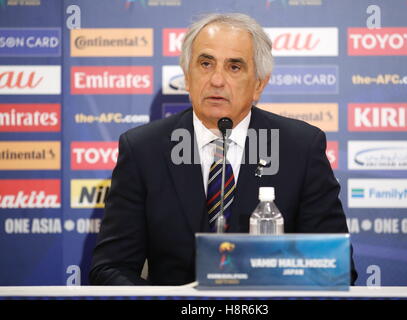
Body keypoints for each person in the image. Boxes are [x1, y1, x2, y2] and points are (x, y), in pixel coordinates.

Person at [89, 12, 358, 285]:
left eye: (234, 67)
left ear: (258, 85)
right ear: (187, 75)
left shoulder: (299, 148)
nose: (217, 80)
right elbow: (110, 269)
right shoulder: (143, 150)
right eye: (205, 64)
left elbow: (335, 269)